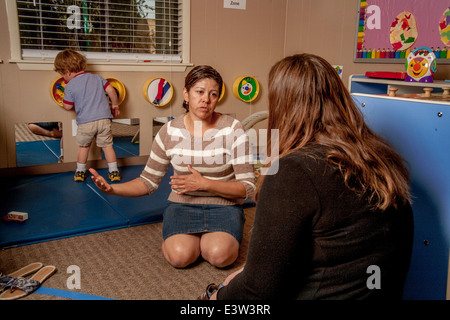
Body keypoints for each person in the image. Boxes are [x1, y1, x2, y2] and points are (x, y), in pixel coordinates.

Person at [206, 53, 414, 300]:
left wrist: (215, 296)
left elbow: (257, 291)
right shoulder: (382, 156)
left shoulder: (293, 173)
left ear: (283, 107)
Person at [89, 65, 256, 269]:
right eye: (199, 92)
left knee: (220, 256)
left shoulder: (232, 128)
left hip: (225, 205)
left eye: (213, 94)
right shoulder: (169, 131)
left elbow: (248, 187)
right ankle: (187, 240)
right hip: (182, 205)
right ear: (186, 94)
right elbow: (148, 182)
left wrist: (205, 184)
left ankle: (213, 239)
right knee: (180, 258)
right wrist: (112, 188)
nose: (206, 99)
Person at [54, 49, 121, 182]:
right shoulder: (97, 77)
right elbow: (111, 90)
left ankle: (80, 171)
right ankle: (114, 172)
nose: (64, 78)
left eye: (63, 75)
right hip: (104, 119)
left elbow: (67, 106)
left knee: (84, 147)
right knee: (107, 146)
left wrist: (63, 101)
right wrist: (115, 105)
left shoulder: (70, 85)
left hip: (86, 122)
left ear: (67, 71)